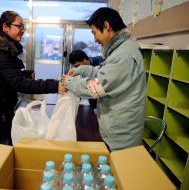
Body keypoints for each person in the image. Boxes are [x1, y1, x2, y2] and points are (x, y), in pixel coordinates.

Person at [0, 11, 65, 145]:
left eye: (23, 27)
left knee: (6, 146)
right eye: (19, 26)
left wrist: (24, 75)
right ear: (5, 27)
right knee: (0, 152)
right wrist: (55, 85)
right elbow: (20, 84)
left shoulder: (2, 49)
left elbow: (4, 76)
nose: (22, 30)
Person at [61, 7, 146, 151]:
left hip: (122, 134)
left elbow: (98, 86)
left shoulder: (123, 55)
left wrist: (69, 82)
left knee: (120, 169)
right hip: (116, 128)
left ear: (106, 26)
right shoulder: (119, 50)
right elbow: (100, 72)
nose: (94, 39)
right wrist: (80, 70)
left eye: (94, 32)